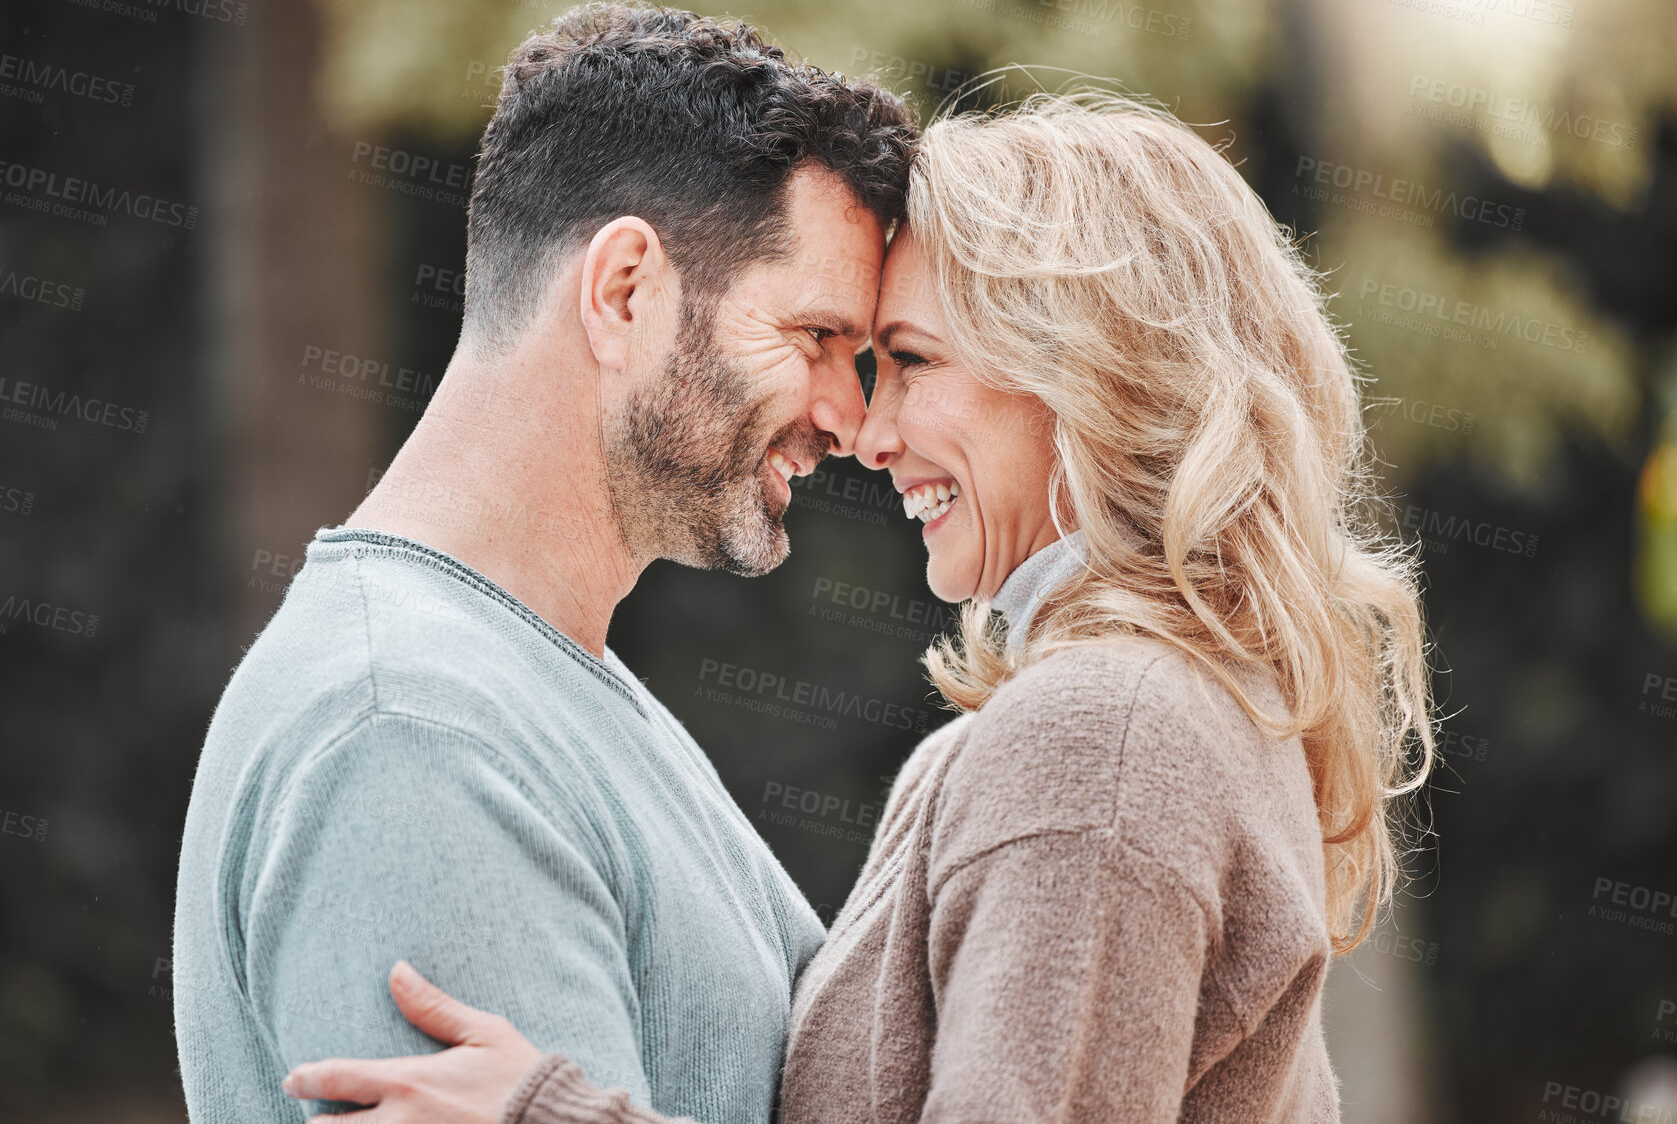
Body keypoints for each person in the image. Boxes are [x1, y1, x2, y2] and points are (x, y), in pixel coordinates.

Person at [280, 93, 1436, 1122]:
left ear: (1091, 378)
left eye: (911, 361)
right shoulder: (1134, 710)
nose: (869, 435)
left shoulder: (1108, 730)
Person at [170, 0, 916, 1124]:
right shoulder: (414, 736)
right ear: (624, 290)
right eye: (816, 339)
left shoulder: (536, 679)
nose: (850, 421)